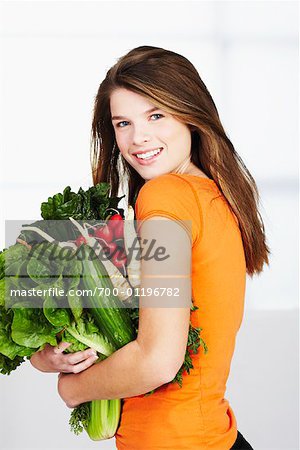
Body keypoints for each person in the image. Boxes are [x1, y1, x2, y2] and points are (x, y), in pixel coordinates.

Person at [30, 46, 270, 449]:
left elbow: (158, 358)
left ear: (190, 113)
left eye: (156, 115)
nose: (138, 137)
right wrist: (51, 355)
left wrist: (72, 390)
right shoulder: (211, 195)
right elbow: (124, 326)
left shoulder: (166, 197)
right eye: (123, 123)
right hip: (209, 435)